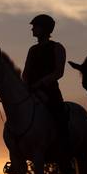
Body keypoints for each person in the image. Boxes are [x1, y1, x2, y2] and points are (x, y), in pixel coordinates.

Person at [23, 15, 68, 151]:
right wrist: (26, 84)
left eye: (35, 26)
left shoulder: (57, 48)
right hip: (31, 90)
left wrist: (41, 84)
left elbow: (58, 72)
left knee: (60, 116)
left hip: (50, 91)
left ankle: (64, 149)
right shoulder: (32, 50)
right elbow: (26, 72)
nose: (32, 29)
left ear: (45, 29)